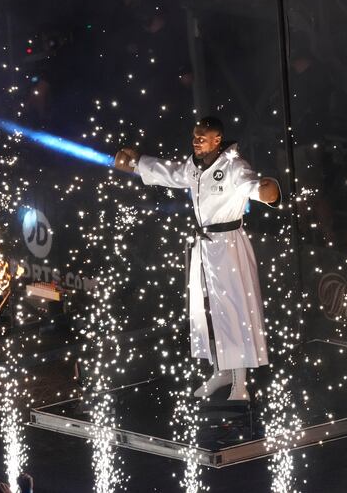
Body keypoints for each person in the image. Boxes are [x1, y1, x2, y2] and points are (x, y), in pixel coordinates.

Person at [114, 116, 280, 401]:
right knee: (206, 312)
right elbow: (172, 173)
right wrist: (138, 161)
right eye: (194, 137)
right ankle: (221, 370)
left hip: (229, 246)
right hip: (203, 246)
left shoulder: (233, 167)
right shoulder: (194, 166)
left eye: (201, 138)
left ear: (217, 140)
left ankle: (240, 383)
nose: (196, 142)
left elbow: (255, 187)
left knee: (234, 311)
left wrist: (268, 190)